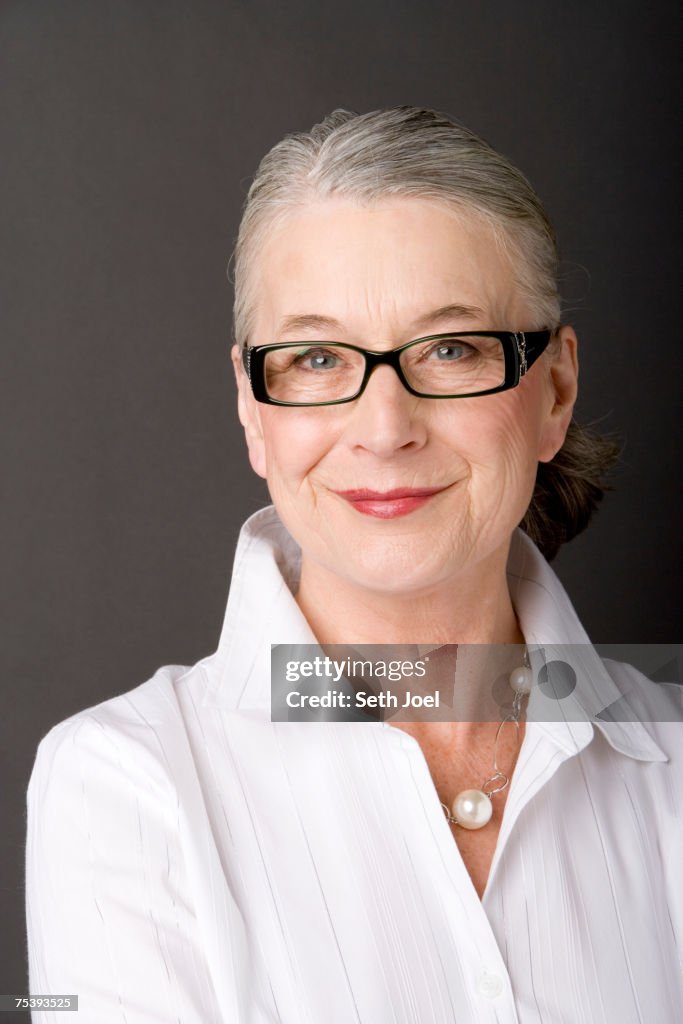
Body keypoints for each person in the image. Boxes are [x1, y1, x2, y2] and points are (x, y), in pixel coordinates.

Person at [26, 107, 682, 1023]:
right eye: (317, 358)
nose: (384, 429)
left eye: (450, 349)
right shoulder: (128, 786)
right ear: (255, 411)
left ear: (554, 393)